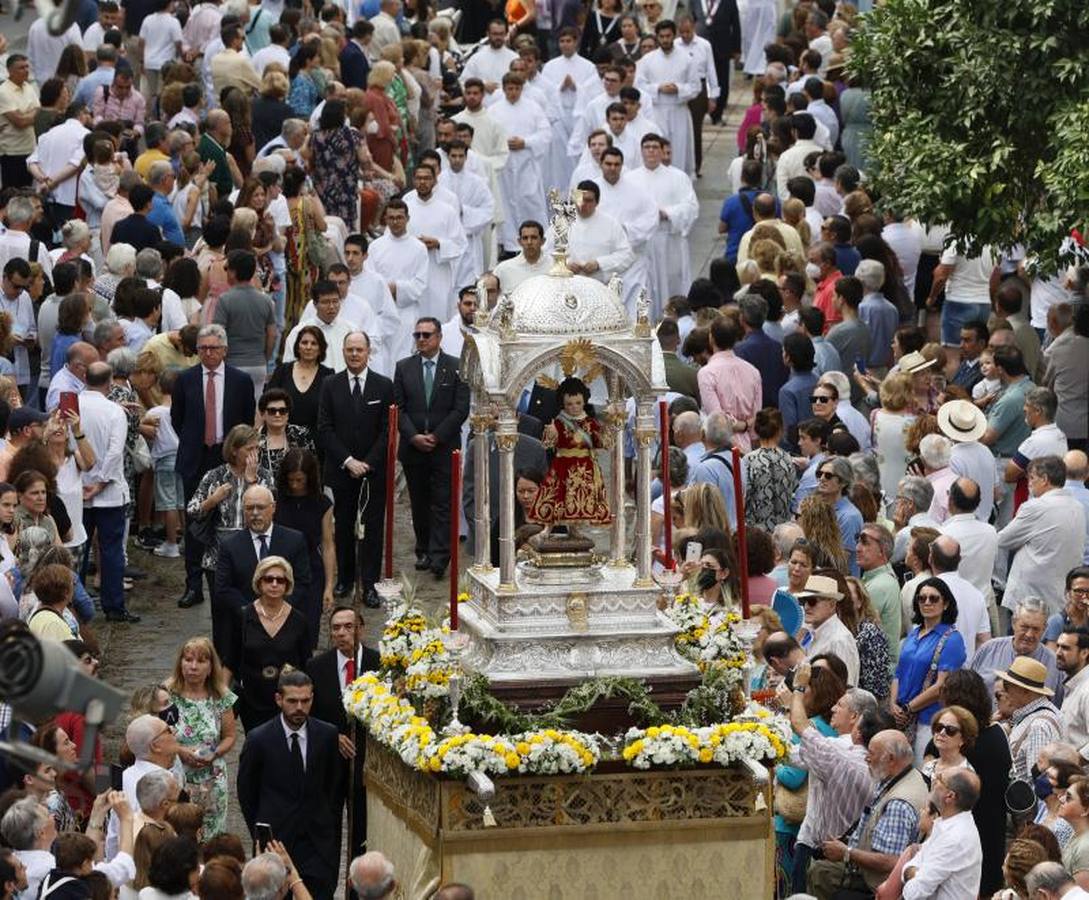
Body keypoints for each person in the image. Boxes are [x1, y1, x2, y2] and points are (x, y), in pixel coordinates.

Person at [172, 325, 256, 610]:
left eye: (213, 348)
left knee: (234, 518)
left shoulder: (240, 380)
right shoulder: (185, 379)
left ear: (224, 350)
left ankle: (234, 578)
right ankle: (193, 584)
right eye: (202, 348)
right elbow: (177, 418)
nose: (208, 353)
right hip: (196, 457)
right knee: (196, 520)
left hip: (228, 457)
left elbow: (246, 420)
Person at [237, 669, 340, 900]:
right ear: (279, 700)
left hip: (317, 844)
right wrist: (261, 832)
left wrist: (328, 834)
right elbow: (247, 793)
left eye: (306, 700)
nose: (299, 707)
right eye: (292, 701)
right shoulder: (258, 739)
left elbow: (334, 790)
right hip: (275, 842)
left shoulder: (327, 735)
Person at [783, 661, 877, 893]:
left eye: (840, 705)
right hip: (816, 843)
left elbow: (798, 730)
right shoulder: (844, 749)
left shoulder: (839, 753)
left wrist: (798, 690)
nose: (833, 708)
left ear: (855, 717)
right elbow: (792, 754)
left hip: (828, 854)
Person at [316, 331, 395, 605]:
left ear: (368, 351)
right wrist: (348, 461)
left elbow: (388, 430)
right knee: (344, 526)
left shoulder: (384, 386)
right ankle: (345, 579)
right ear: (343, 350)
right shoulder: (330, 384)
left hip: (373, 473)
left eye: (359, 349)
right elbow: (324, 428)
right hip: (341, 470)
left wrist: (368, 463)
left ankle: (370, 584)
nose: (354, 354)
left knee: (372, 528)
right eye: (349, 349)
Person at [807, 729, 928, 897]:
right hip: (868, 871)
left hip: (876, 885)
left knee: (820, 872)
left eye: (871, 753)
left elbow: (890, 861)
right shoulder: (903, 775)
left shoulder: (898, 804)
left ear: (891, 759)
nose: (866, 758)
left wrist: (847, 853)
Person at [393, 319, 470, 578]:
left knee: (443, 502)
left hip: (444, 446)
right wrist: (413, 436)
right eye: (417, 334)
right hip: (414, 448)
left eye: (427, 334)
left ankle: (440, 555)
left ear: (438, 337)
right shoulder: (404, 368)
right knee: (419, 502)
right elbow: (398, 408)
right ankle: (423, 549)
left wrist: (437, 436)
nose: (422, 339)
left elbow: (460, 409)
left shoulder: (456, 367)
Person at [306, 608, 381, 874]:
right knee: (328, 833)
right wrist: (332, 736)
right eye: (336, 628)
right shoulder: (316, 667)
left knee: (363, 832)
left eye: (348, 627)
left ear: (360, 628)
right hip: (330, 765)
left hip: (367, 763)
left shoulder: (378, 663)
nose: (342, 633)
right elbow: (307, 715)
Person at [214, 485, 312, 650]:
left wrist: (280, 610)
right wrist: (252, 613)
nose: (255, 513)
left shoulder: (294, 540)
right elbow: (223, 587)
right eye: (249, 508)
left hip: (286, 628)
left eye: (260, 507)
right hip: (244, 629)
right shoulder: (230, 545)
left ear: (273, 508)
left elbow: (302, 582)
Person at [163, 637, 236, 838]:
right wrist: (180, 751)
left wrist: (214, 752)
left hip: (211, 776)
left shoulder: (221, 696)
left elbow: (230, 736)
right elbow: (156, 733)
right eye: (188, 660)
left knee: (211, 836)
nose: (193, 667)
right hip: (177, 775)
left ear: (211, 667)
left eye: (201, 661)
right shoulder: (167, 694)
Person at [1000, 456, 1087, 618]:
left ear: (1045, 479)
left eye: (1032, 478)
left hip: (1030, 596)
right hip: (1060, 595)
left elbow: (1004, 540)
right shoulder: (1077, 507)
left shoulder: (1035, 507)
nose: (1029, 483)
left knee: (1019, 640)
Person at [892, 577, 967, 761]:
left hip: (927, 720)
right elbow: (897, 673)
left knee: (920, 771)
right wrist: (893, 705)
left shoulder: (952, 639)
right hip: (900, 715)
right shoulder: (913, 634)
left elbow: (941, 686)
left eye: (933, 598)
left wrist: (908, 708)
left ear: (946, 603)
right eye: (922, 598)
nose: (927, 602)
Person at [899, 769, 982, 898]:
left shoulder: (954, 838)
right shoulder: (947, 824)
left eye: (939, 779)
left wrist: (915, 873)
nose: (933, 781)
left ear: (950, 796)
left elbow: (914, 893)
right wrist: (917, 873)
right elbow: (908, 868)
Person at [213, 251, 276, 403]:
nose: (226, 272)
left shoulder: (224, 300)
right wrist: (264, 358)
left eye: (227, 269)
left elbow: (218, 335)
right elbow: (272, 335)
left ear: (233, 272)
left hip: (232, 364)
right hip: (258, 365)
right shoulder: (266, 300)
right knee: (254, 412)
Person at [997, 656, 1064, 783]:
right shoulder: (1042, 715)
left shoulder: (1039, 726)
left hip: (1026, 801)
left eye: (1008, 687)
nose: (1005, 693)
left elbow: (1038, 780)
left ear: (1024, 691)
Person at [266, 327, 335, 449]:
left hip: (317, 445)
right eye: (304, 342)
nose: (308, 347)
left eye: (314, 343)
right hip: (281, 442)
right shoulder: (282, 371)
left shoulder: (329, 376)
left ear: (320, 349)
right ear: (298, 346)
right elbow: (265, 403)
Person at [797, 573, 860, 685]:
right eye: (803, 601)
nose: (806, 607)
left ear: (832, 604)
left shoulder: (840, 640)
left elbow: (844, 688)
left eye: (812, 601)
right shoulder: (809, 632)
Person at [743, 408, 796, 531]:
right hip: (783, 530)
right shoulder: (787, 459)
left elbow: (744, 496)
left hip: (756, 531)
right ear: (780, 430)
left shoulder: (749, 460)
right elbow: (792, 489)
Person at [857, 522, 902, 660]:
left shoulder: (880, 585)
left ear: (882, 551)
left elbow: (857, 629)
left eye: (865, 543)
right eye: (858, 541)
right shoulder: (879, 578)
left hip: (878, 670)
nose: (858, 548)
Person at [1055, 627, 1089, 758]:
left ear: (1084, 653)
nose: (1058, 652)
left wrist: (1077, 759)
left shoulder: (1087, 690)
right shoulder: (1073, 684)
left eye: (1065, 648)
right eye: (1057, 646)